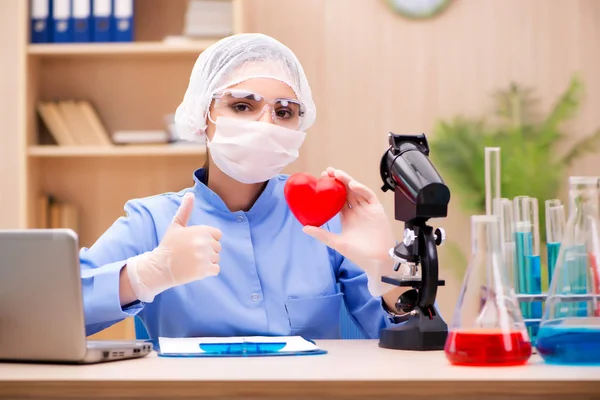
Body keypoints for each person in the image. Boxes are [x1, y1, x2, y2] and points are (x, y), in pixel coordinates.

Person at [80, 33, 409, 340]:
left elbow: (416, 343)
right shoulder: (152, 221)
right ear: (201, 116)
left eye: (283, 112)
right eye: (242, 106)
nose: (266, 125)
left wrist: (388, 270)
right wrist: (144, 275)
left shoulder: (327, 221)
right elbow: (50, 313)